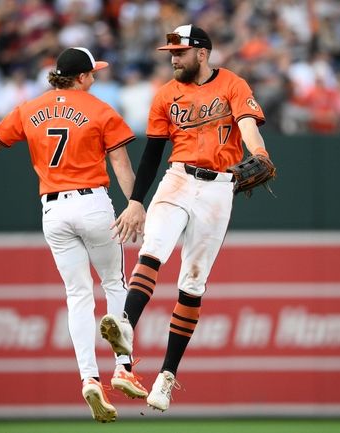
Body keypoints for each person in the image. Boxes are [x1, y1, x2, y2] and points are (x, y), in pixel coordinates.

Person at [0, 47, 147, 423]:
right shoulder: (100, 109)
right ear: (82, 77)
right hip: (92, 203)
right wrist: (136, 203)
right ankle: (123, 367)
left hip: (53, 210)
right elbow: (120, 162)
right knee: (115, 283)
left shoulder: (30, 108)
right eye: (93, 73)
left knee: (77, 296)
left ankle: (89, 378)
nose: (95, 78)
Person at [99, 25, 269, 412]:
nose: (173, 58)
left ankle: (166, 376)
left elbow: (247, 127)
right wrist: (136, 200)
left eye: (180, 52)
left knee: (193, 281)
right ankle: (125, 324)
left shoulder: (232, 84)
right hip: (177, 178)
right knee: (153, 249)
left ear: (202, 53)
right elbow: (153, 153)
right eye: (171, 53)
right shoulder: (165, 94)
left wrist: (259, 153)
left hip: (218, 187)